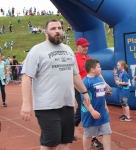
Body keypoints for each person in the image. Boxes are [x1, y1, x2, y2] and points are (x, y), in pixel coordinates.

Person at [20, 19, 90, 150]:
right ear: (45, 32)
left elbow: (75, 75)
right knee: (51, 142)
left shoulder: (68, 49)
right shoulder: (37, 50)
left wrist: (84, 92)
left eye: (59, 28)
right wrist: (26, 103)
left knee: (65, 142)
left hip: (67, 104)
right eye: (53, 28)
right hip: (46, 106)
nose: (57, 31)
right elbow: (26, 77)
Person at [74, 38, 103, 149]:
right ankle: (93, 140)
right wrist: (81, 91)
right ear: (78, 46)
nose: (86, 48)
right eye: (84, 46)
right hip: (80, 89)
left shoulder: (89, 58)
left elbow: (96, 73)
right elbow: (73, 77)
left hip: (92, 89)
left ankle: (71, 127)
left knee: (86, 110)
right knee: (85, 111)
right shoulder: (74, 59)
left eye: (87, 46)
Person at [81, 58, 111, 150]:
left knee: (107, 132)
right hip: (90, 114)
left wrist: (105, 105)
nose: (101, 68)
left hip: (102, 112)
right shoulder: (86, 82)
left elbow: (102, 94)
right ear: (92, 69)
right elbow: (84, 100)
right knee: (88, 135)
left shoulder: (100, 78)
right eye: (98, 67)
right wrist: (92, 111)